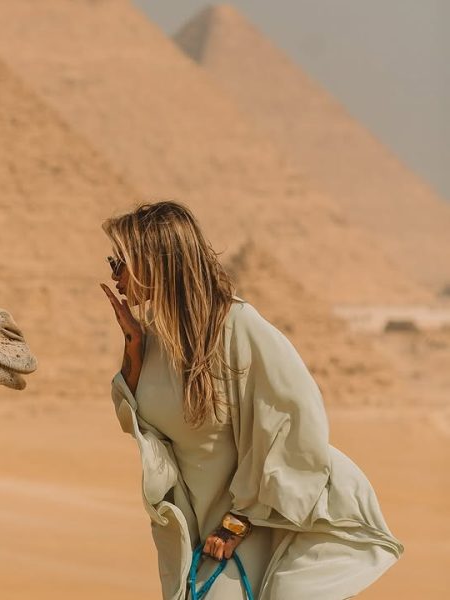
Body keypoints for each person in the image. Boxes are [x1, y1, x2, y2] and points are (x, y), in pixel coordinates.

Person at [100, 202, 402, 599]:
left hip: (267, 519)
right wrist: (133, 348)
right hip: (199, 526)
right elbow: (139, 425)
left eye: (120, 261)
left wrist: (238, 521)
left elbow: (295, 417)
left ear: (154, 262)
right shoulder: (153, 339)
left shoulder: (238, 327)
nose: (114, 274)